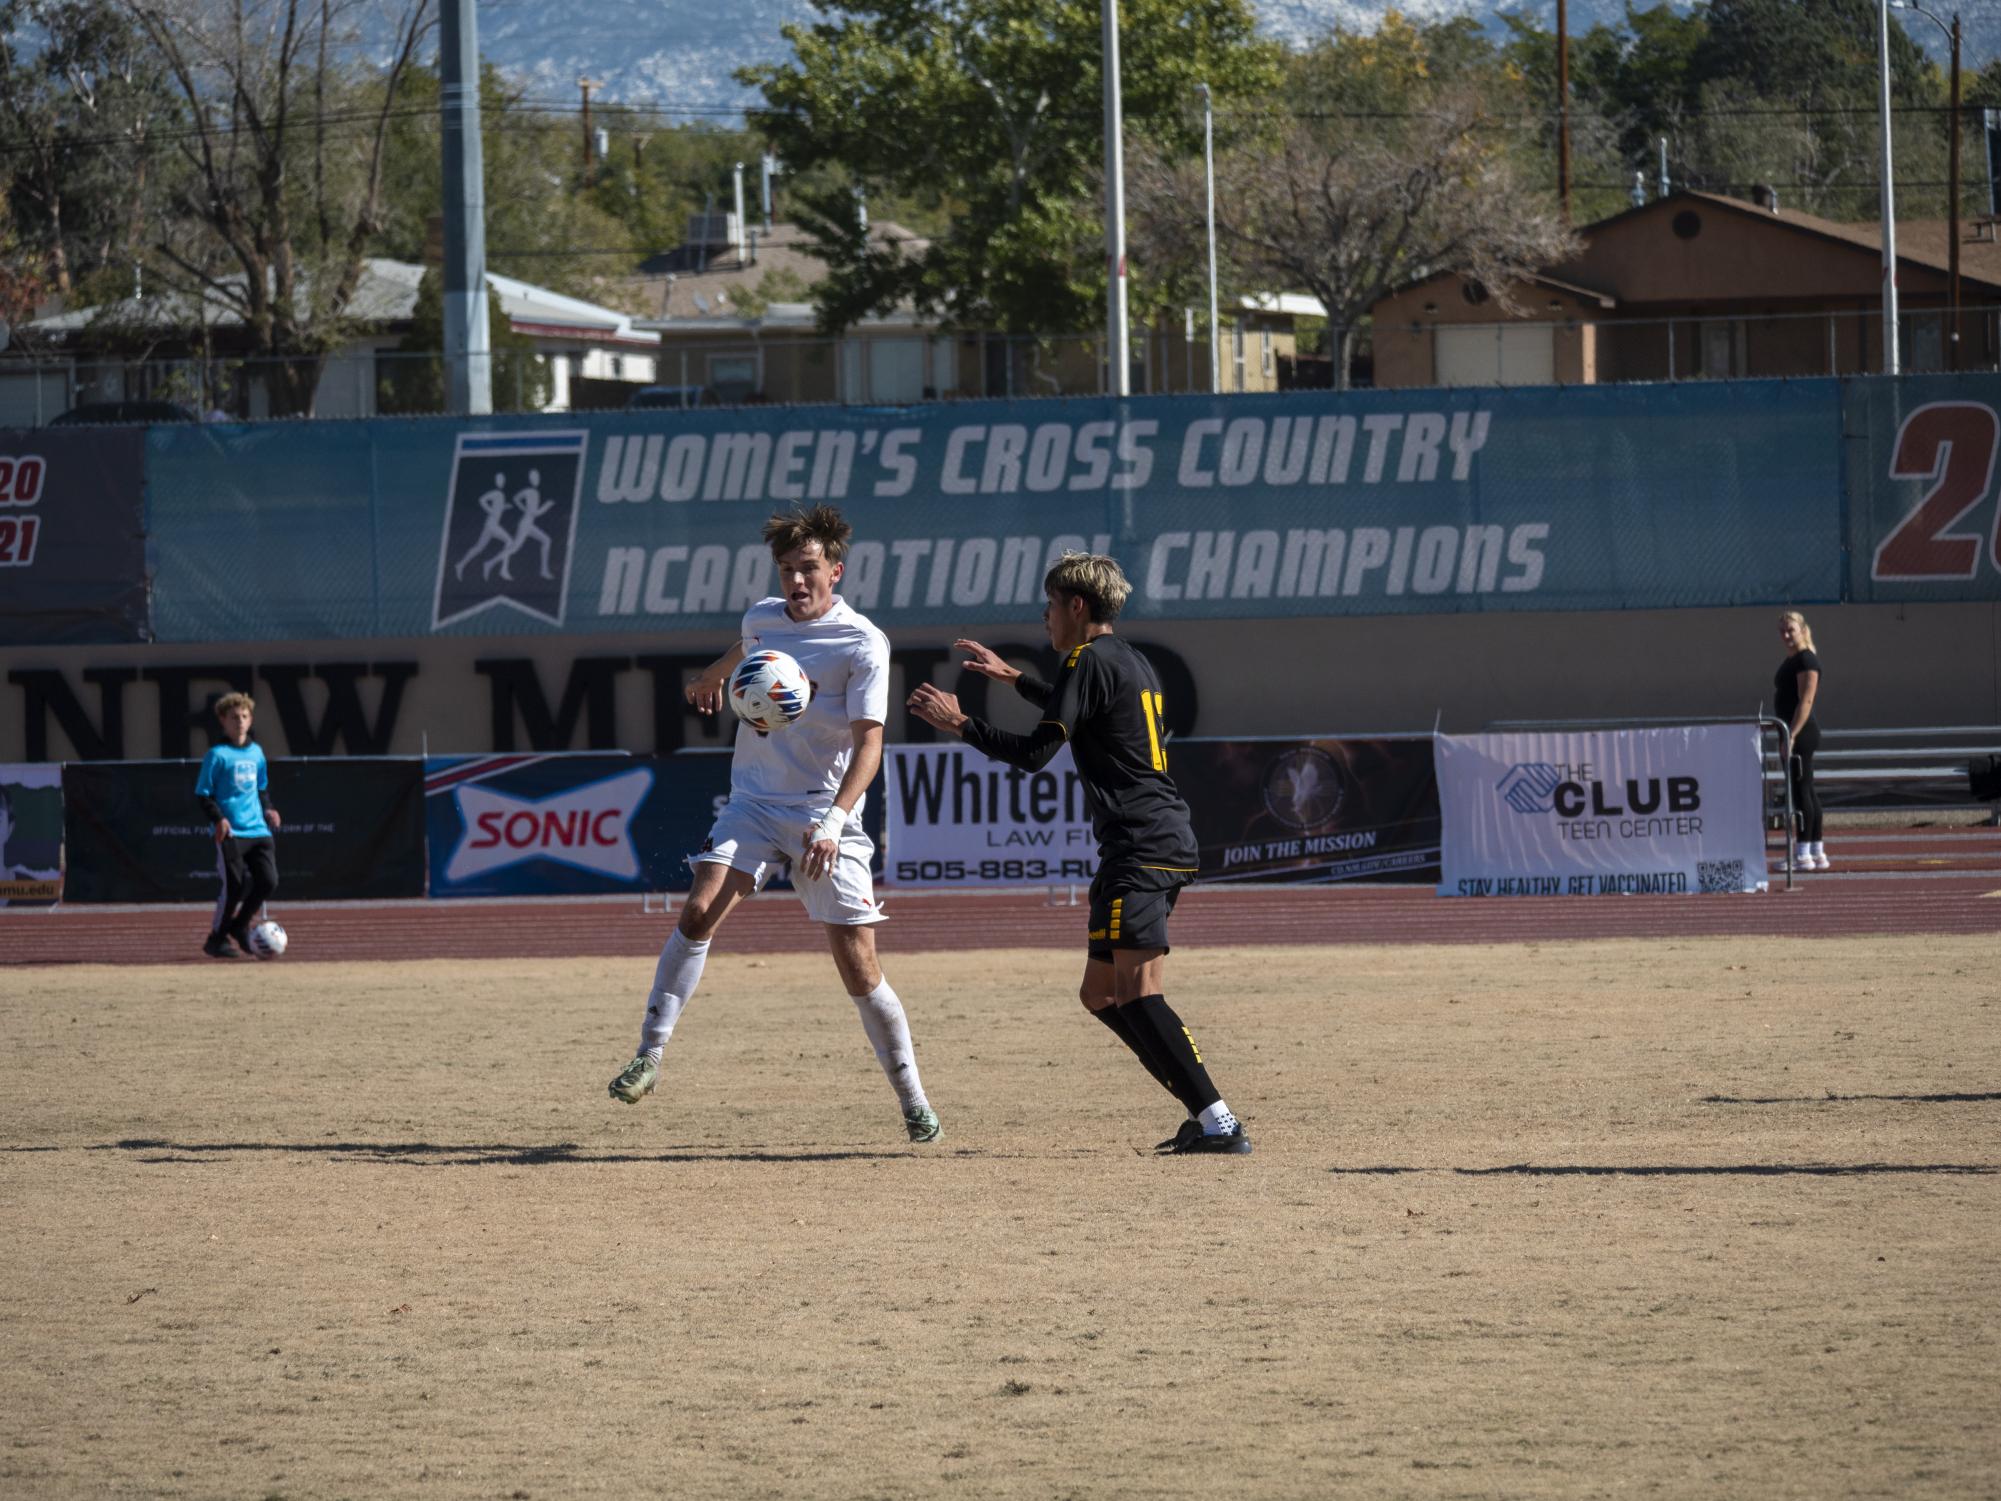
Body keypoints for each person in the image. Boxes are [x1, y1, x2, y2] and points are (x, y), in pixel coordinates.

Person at [606, 505, 941, 1144]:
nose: (796, 582)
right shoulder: (762, 618)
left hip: (824, 813)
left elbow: (871, 746)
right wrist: (713, 673)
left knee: (859, 967)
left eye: (808, 569)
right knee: (698, 911)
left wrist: (834, 823)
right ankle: (649, 1054)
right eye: (787, 569)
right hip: (753, 804)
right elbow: (752, 642)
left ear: (835, 571)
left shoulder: (861, 642)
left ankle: (913, 1099)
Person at [906, 552, 1251, 1156]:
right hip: (1144, 841)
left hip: (1142, 844)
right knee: (1101, 994)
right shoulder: (1127, 659)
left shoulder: (1087, 661)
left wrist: (963, 725)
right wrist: (1015, 681)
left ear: (1075, 606)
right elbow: (1082, 711)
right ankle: (1206, 1114)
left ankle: (1219, 1121)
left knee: (1139, 993)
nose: (1044, 617)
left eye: (1048, 604)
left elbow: (1038, 753)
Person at [195, 691, 281, 958]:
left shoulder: (257, 753)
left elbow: (261, 788)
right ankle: (216, 939)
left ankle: (239, 926)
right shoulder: (217, 755)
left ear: (251, 719)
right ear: (223, 721)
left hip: (258, 830)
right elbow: (203, 794)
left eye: (244, 716)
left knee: (268, 881)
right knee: (234, 885)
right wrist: (219, 820)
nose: (240, 722)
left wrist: (269, 810)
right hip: (232, 832)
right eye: (234, 717)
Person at [1776, 610, 1826, 870]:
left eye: (1790, 630)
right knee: (1807, 789)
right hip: (1794, 732)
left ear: (1802, 630)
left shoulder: (1806, 659)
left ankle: (1803, 854)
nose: (1786, 635)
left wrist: (1791, 735)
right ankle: (1817, 851)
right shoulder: (1794, 659)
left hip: (1801, 734)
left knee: (1800, 791)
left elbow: (1805, 701)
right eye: (1782, 631)